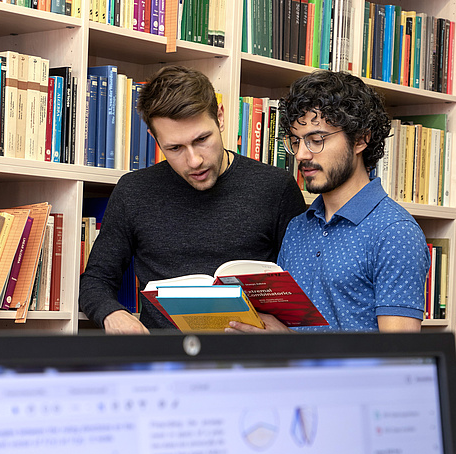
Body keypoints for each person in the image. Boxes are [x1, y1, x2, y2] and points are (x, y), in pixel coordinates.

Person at [79, 65, 306, 333]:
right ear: (154, 138)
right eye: (174, 148)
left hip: (248, 359)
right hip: (165, 360)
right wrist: (113, 314)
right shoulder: (134, 191)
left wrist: (284, 334)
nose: (194, 161)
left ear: (219, 118)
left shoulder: (275, 188)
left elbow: (306, 290)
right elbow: (95, 281)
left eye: (202, 139)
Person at [228, 70, 431, 334]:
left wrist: (290, 346)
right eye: (296, 141)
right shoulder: (297, 228)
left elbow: (398, 363)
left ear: (360, 139)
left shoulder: (395, 233)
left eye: (316, 140)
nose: (301, 154)